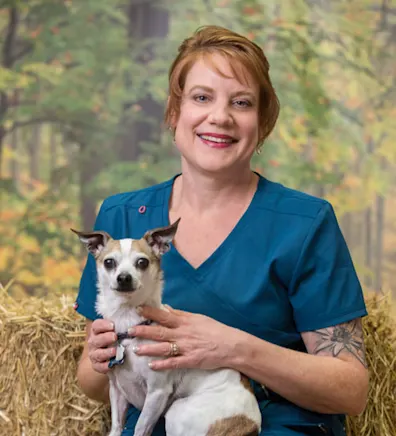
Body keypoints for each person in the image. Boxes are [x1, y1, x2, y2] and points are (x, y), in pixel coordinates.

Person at [74, 25, 369, 436]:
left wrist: (234, 348)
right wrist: (97, 357)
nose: (220, 117)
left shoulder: (305, 224)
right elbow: (90, 382)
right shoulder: (121, 217)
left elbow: (350, 392)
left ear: (262, 123)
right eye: (201, 97)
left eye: (242, 102)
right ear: (174, 112)